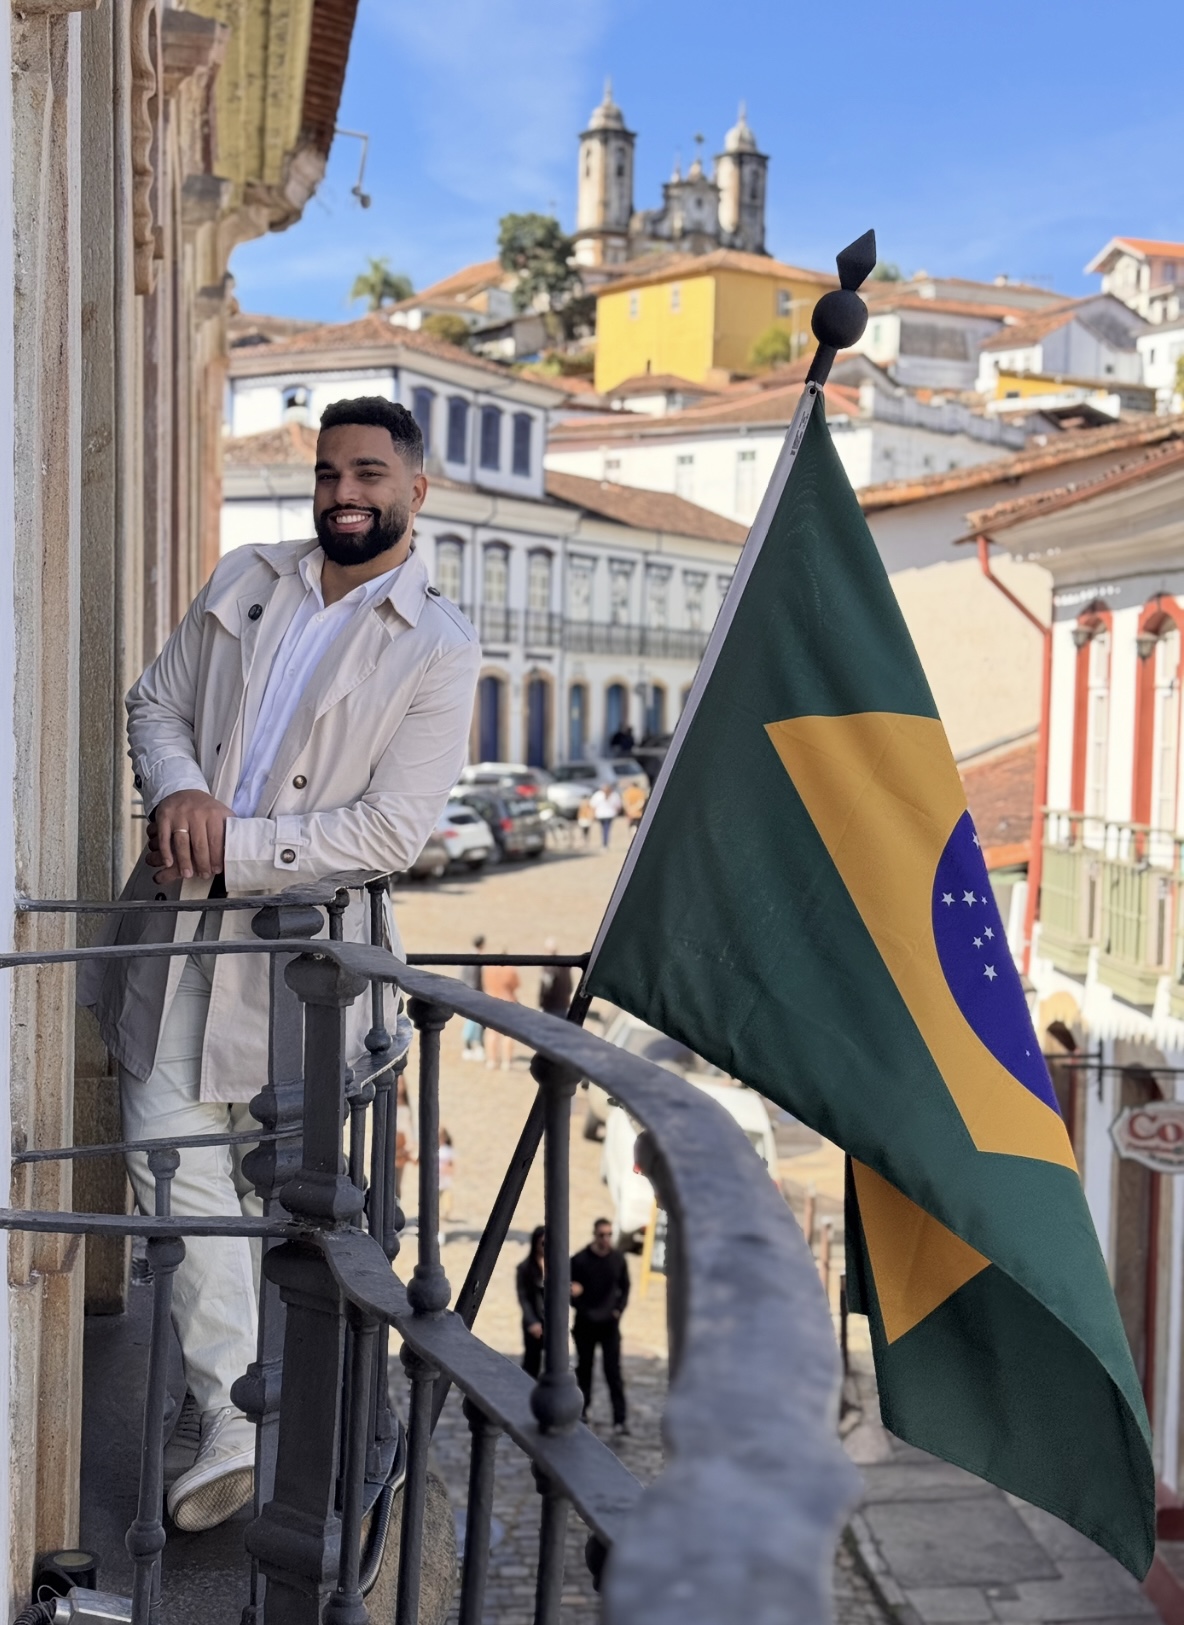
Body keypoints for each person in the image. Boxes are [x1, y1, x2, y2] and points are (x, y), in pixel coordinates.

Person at [78, 395, 480, 1532]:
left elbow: (391, 831)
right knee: (167, 1152)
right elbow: (153, 703)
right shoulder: (245, 578)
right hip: (177, 929)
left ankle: (352, 1429)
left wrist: (234, 847)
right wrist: (179, 793)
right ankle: (235, 1411)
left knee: (306, 1208)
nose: (344, 493)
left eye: (368, 473)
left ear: (413, 487)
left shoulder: (437, 643)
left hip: (305, 964)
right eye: (326, 474)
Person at [571, 1217, 630, 1434]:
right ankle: (583, 1412)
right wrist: (577, 1299)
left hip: (609, 1326)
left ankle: (620, 1419)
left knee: (613, 1372)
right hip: (586, 1323)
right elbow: (567, 1289)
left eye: (609, 1235)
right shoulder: (579, 1260)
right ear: (594, 1235)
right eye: (602, 1235)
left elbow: (625, 1287)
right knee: (584, 1370)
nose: (606, 1239)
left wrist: (618, 1310)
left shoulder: (617, 1259)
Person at [516, 1226, 546, 1378]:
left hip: (552, 1323)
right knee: (531, 1363)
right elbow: (523, 1298)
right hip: (533, 1320)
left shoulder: (557, 1267)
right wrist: (532, 1322)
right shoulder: (525, 1268)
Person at [482, 954, 520, 1070]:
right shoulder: (510, 970)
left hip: (492, 1001)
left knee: (491, 1033)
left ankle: (491, 1060)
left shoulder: (488, 969)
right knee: (508, 1034)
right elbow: (516, 985)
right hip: (506, 1001)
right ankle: (506, 1062)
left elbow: (485, 984)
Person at [460, 933, 486, 1060]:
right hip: (474, 995)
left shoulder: (468, 956)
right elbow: (476, 980)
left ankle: (472, 1047)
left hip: (466, 992)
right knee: (473, 1022)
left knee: (473, 1022)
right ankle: (471, 1047)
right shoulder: (477, 959)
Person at [394, 1071, 418, 1199]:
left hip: (400, 1145)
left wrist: (410, 1144)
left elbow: (409, 1127)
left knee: (396, 1182)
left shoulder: (406, 1105)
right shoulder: (390, 1103)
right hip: (392, 1142)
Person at [538, 937, 573, 1019]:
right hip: (563, 1006)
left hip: (551, 1009)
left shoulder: (548, 967)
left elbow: (546, 989)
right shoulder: (565, 966)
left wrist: (542, 1004)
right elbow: (569, 987)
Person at [590, 783, 622, 849]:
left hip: (600, 814)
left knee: (603, 829)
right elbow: (618, 805)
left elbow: (592, 805)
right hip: (610, 814)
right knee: (607, 829)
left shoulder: (598, 795)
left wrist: (593, 814)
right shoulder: (614, 795)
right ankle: (605, 843)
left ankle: (604, 843)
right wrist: (616, 812)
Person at [437, 1128, 455, 1247]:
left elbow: (451, 1165)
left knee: (445, 1209)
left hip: (444, 1182)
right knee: (436, 1210)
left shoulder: (447, 1151)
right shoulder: (435, 1150)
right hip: (435, 1183)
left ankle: (441, 1231)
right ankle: (439, 1234)